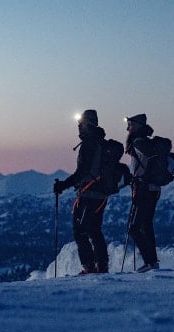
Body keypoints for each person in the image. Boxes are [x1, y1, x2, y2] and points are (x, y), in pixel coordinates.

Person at [53, 109, 110, 275]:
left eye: (80, 123)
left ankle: (90, 267)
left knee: (80, 231)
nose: (78, 126)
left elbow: (82, 172)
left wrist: (63, 185)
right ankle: (101, 266)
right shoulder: (100, 142)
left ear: (86, 124)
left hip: (88, 193)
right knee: (94, 230)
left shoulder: (89, 144)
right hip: (100, 193)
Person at [124, 113, 160, 272]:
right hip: (151, 188)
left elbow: (151, 160)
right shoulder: (144, 141)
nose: (127, 128)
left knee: (135, 227)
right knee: (146, 225)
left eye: (130, 124)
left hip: (144, 189)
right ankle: (152, 262)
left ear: (137, 125)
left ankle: (150, 262)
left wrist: (143, 179)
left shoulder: (139, 142)